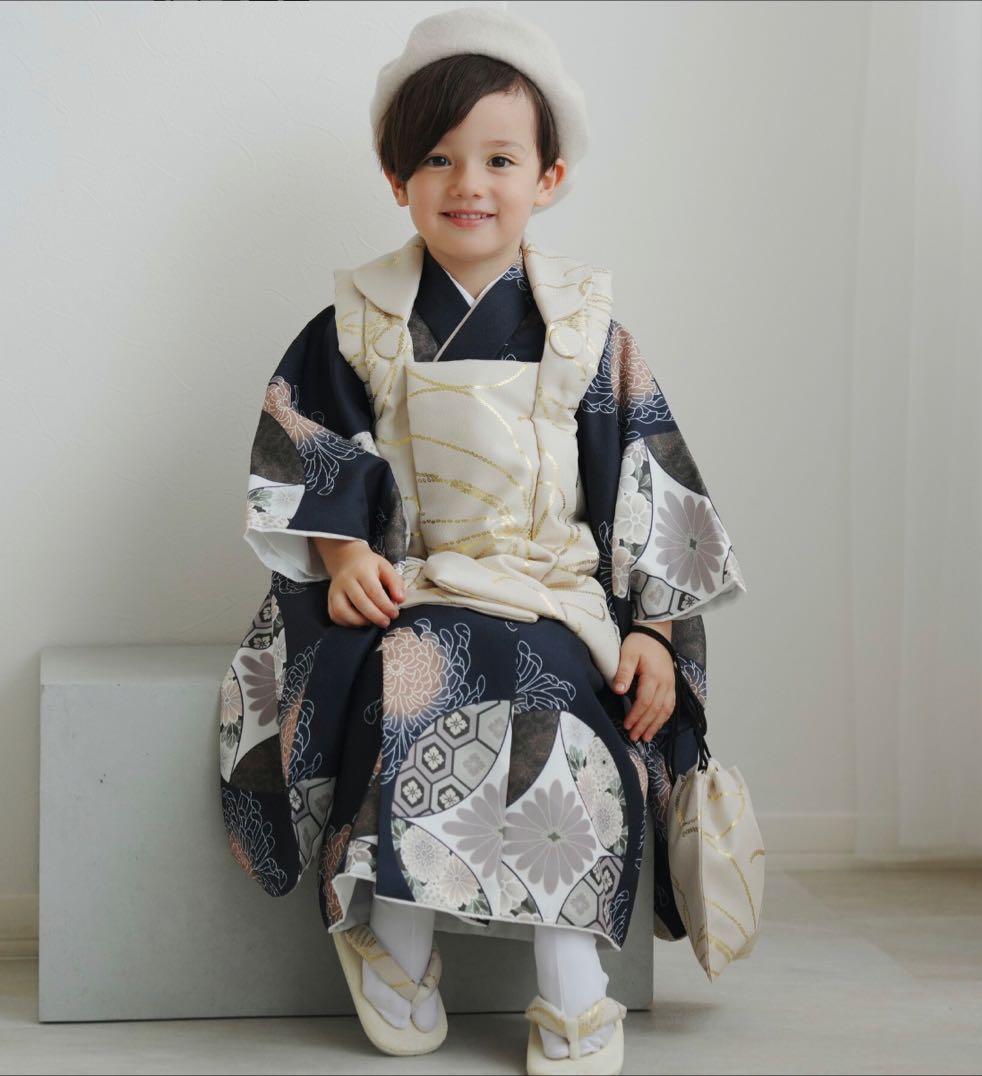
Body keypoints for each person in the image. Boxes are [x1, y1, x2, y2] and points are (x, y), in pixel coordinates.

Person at [217, 7, 747, 1074]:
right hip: (419, 586)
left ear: (549, 177)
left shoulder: (588, 331)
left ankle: (573, 982)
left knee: (568, 702)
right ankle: (395, 940)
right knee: (419, 677)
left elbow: (646, 476)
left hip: (559, 594)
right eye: (438, 158)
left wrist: (653, 629)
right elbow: (313, 445)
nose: (469, 183)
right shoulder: (360, 321)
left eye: (501, 159)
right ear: (397, 178)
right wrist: (344, 556)